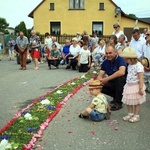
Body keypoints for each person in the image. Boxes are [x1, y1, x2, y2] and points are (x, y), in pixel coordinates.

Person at [120, 47, 146, 122]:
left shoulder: (138, 66)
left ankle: (136, 115)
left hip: (136, 86)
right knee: (129, 100)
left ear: (131, 58)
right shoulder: (130, 65)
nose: (125, 61)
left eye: (126, 59)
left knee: (136, 102)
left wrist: (140, 88)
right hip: (129, 85)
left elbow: (141, 78)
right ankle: (130, 113)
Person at [97, 45, 127, 111]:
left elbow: (122, 72)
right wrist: (100, 80)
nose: (108, 55)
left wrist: (106, 79)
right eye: (107, 53)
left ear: (115, 52)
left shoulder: (120, 59)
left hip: (124, 83)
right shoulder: (105, 62)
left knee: (120, 79)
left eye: (110, 53)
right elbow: (100, 74)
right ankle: (116, 97)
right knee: (99, 85)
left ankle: (118, 103)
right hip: (112, 81)